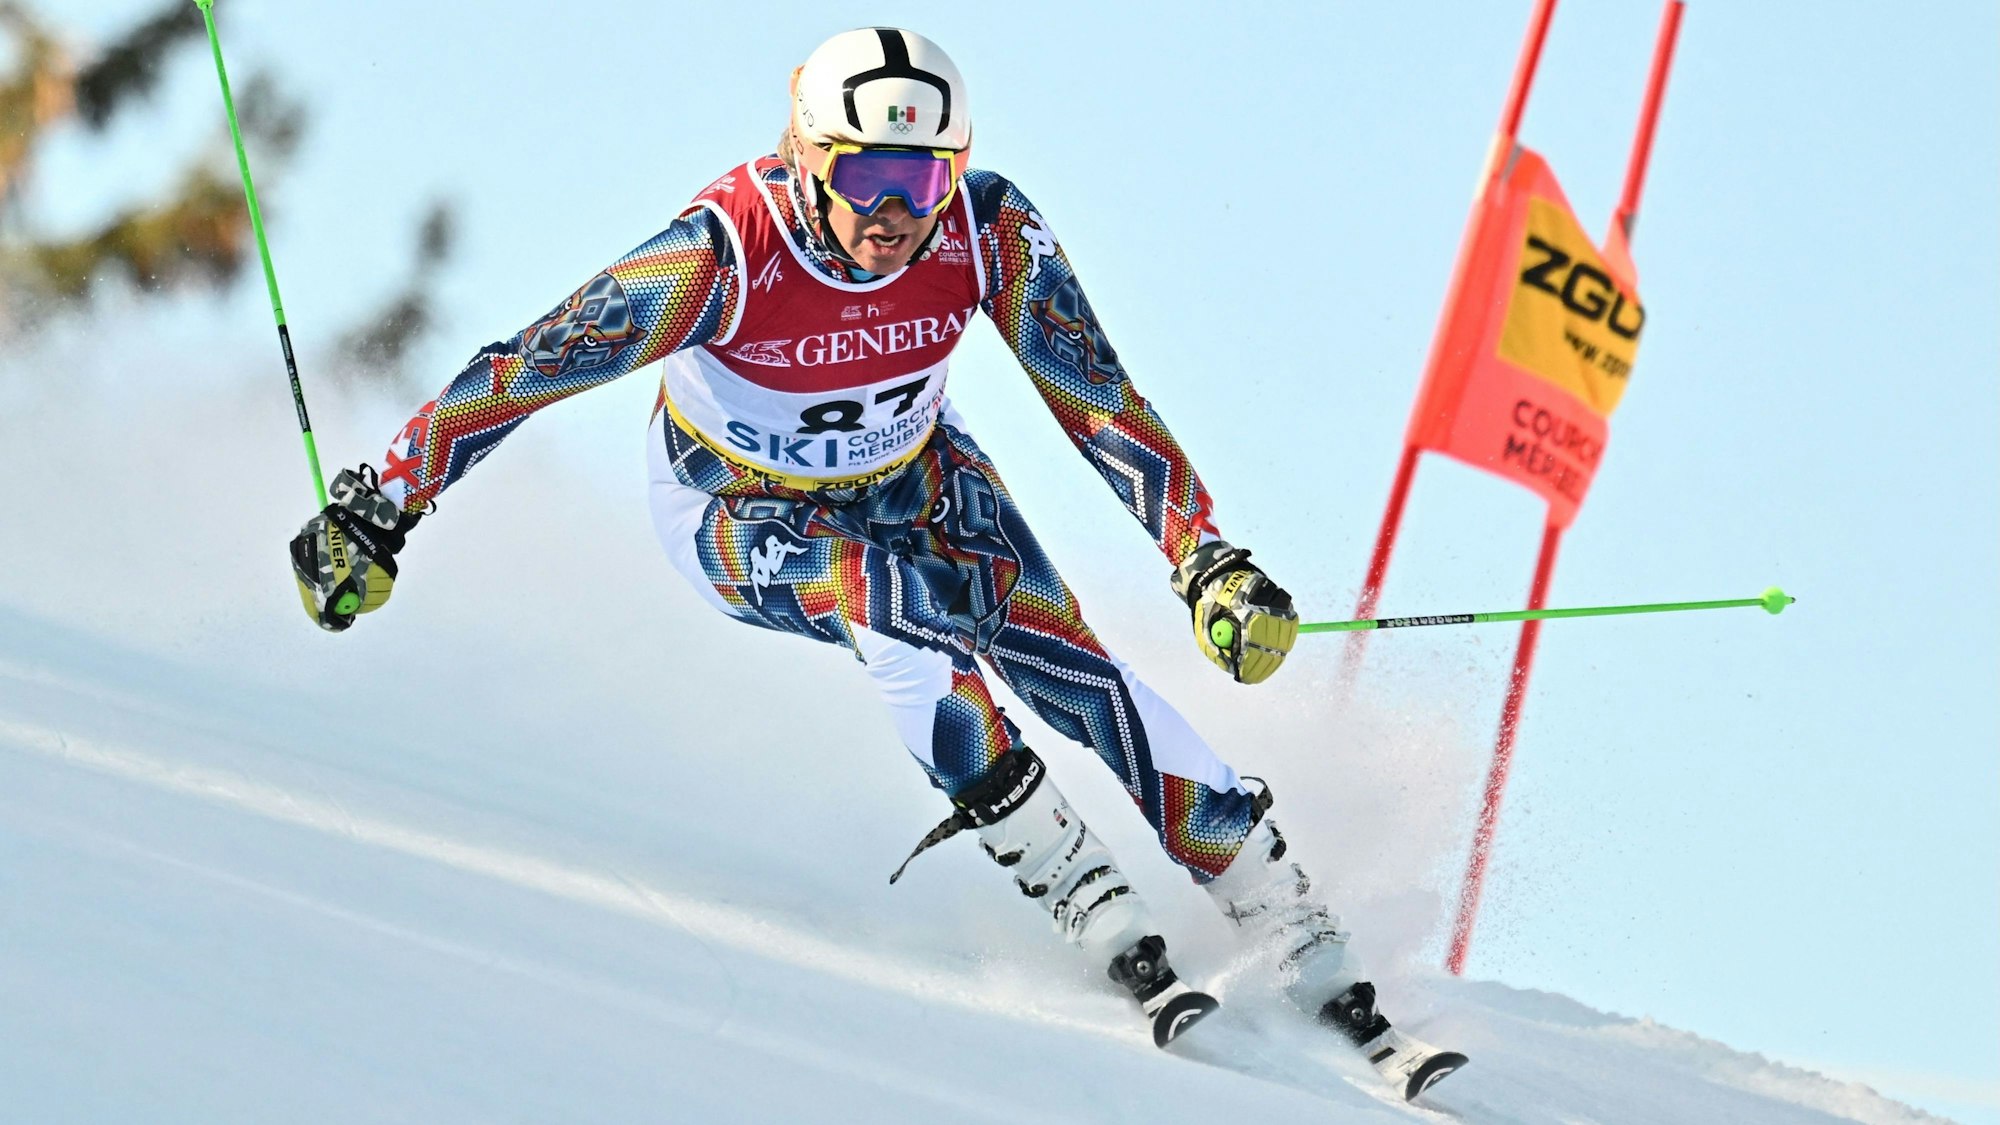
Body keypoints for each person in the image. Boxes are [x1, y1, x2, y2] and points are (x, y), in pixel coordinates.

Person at [288, 27, 1461, 1098]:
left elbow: (1095, 398)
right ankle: (1079, 892)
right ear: (807, 157)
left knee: (1076, 669)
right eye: (864, 178)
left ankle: (1291, 925)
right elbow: (529, 366)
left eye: (919, 181)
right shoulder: (723, 254)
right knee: (882, 605)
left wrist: (1202, 559)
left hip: (919, 478)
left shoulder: (982, 229)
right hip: (735, 511)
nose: (892, 213)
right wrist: (378, 507)